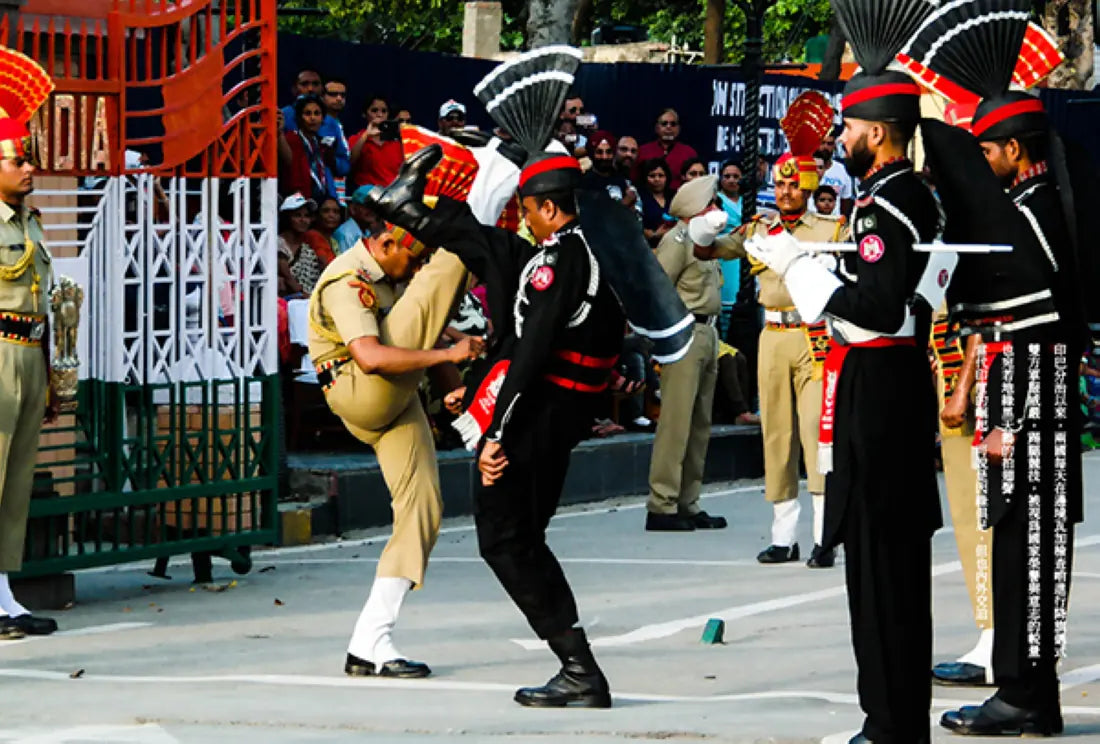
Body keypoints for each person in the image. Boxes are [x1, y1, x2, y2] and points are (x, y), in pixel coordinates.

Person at [744, 2, 942, 737]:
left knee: (879, 564)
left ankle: (888, 721)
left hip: (879, 387)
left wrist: (798, 267)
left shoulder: (886, 205)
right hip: (892, 384)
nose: (841, 140)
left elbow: (879, 309)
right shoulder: (908, 197)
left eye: (851, 128)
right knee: (887, 563)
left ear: (878, 132)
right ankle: (893, 716)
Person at [380, 148, 625, 708]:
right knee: (494, 249)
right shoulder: (589, 249)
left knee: (506, 537)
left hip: (538, 415)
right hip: (561, 413)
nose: (525, 220)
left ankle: (579, 668)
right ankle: (409, 209)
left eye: (528, 211)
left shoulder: (556, 264)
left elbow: (531, 354)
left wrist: (496, 436)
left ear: (547, 209)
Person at [907, 6, 1086, 732]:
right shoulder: (1036, 202)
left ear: (1014, 149)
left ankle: (1024, 692)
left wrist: (1007, 417)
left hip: (1031, 394)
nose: (982, 163)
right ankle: (1030, 692)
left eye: (987, 150)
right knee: (1022, 542)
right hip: (1024, 389)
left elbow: (1034, 316)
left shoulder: (1034, 211)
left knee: (1027, 544)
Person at [307, 147, 484, 680]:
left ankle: (371, 641)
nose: (415, 267)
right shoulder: (347, 279)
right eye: (412, 256)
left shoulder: (390, 269)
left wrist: (454, 389)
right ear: (386, 243)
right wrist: (450, 356)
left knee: (422, 509)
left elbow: (422, 334)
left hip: (396, 400)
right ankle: (489, 183)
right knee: (449, 266)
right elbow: (373, 356)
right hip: (362, 390)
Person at [725, 93, 846, 566]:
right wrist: (699, 232)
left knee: (817, 432)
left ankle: (823, 537)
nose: (785, 192)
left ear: (810, 186)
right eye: (779, 185)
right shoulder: (760, 227)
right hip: (772, 335)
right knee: (776, 433)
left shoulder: (831, 230)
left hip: (814, 336)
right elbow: (715, 251)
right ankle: (783, 537)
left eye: (794, 185)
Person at [0, 48, 59, 638]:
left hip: (28, 353)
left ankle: (4, 596)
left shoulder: (30, 220)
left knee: (14, 482)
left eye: (28, 158)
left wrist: (48, 377)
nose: (28, 168)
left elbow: (39, 299)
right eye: (17, 160)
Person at [644, 175, 731, 532]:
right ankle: (662, 504)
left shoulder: (704, 240)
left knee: (699, 424)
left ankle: (688, 501)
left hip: (708, 331)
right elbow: (658, 290)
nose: (716, 209)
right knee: (676, 423)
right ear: (696, 208)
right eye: (710, 203)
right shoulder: (677, 240)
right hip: (684, 332)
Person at [281, 69, 350, 190]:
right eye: (304, 84)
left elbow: (345, 166)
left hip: (325, 191)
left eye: (315, 84)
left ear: (322, 89)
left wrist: (332, 161)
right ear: (294, 89)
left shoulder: (332, 123)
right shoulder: (283, 117)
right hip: (292, 190)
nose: (310, 89)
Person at [278, 94, 340, 202]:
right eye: (307, 113)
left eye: (317, 113)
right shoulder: (291, 138)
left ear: (322, 118)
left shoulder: (321, 145)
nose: (312, 118)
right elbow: (289, 160)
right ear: (299, 118)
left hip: (318, 201)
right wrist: (279, 133)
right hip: (297, 202)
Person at [348, 95, 404, 193]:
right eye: (374, 111)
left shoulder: (397, 143)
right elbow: (349, 163)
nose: (379, 115)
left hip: (393, 195)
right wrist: (366, 135)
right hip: (366, 196)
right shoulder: (356, 139)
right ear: (364, 114)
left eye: (384, 111)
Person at [637, 108, 698, 191]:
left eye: (673, 124)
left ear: (678, 129)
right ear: (657, 128)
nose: (669, 127)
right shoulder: (643, 151)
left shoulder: (689, 153)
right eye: (664, 124)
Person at [580, 130, 637, 208]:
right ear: (591, 154)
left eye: (609, 152)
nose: (604, 157)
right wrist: (625, 203)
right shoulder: (585, 183)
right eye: (599, 152)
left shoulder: (620, 177)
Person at [334, 186, 384, 256]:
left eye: (374, 206)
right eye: (366, 206)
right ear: (353, 209)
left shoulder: (366, 231)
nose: (372, 210)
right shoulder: (346, 234)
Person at [815, 130, 855, 216]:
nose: (825, 147)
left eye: (829, 144)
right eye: (822, 143)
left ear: (834, 146)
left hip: (834, 221)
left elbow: (845, 201)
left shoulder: (843, 170)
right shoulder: (805, 167)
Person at [637, 157, 675, 248]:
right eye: (652, 176)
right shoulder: (639, 198)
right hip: (647, 248)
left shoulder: (674, 196)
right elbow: (634, 226)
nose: (657, 179)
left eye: (661, 175)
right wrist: (654, 235)